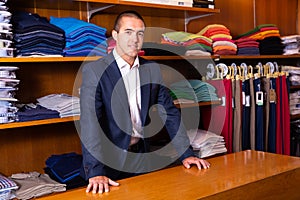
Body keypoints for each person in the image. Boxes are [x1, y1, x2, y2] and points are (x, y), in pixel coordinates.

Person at [79, 10, 210, 194]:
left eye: (140, 33)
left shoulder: (152, 69)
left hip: (141, 155)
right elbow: (90, 123)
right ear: (115, 35)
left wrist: (186, 154)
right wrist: (95, 170)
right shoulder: (95, 71)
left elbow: (169, 112)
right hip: (108, 161)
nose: (135, 39)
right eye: (128, 32)